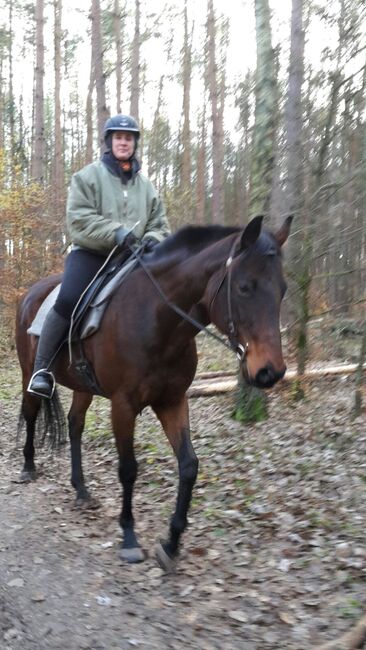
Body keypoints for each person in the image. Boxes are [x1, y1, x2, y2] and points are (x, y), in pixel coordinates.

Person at [28, 114, 171, 399]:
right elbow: (79, 220)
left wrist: (152, 241)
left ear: (134, 144)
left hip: (134, 259)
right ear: (109, 141)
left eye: (128, 138)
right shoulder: (87, 177)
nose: (123, 142)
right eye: (118, 137)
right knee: (68, 298)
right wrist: (116, 233)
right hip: (92, 254)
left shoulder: (147, 187)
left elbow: (160, 225)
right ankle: (42, 370)